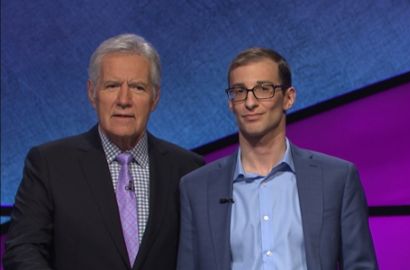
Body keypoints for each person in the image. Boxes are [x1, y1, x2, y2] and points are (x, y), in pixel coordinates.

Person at [3, 33, 204, 270]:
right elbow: (23, 250)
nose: (123, 100)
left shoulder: (189, 170)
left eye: (138, 87)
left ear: (155, 97)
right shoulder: (49, 164)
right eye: (112, 86)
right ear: (92, 92)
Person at [177, 48, 378, 270]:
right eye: (239, 91)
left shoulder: (336, 179)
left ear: (288, 98)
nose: (250, 102)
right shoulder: (197, 188)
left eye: (264, 89)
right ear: (230, 103)